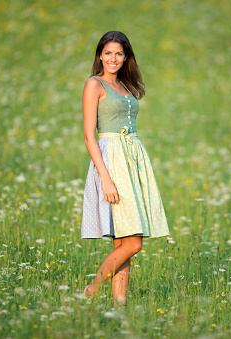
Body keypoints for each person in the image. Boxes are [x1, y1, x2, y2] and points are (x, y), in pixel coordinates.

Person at [80, 31, 170, 307]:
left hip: (133, 161)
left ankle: (120, 307)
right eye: (108, 53)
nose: (113, 58)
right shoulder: (94, 85)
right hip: (112, 163)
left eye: (119, 53)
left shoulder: (126, 87)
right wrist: (105, 179)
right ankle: (91, 291)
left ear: (126, 57)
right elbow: (88, 135)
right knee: (133, 243)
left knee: (126, 242)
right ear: (99, 56)